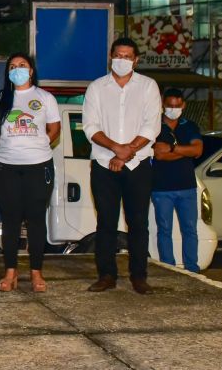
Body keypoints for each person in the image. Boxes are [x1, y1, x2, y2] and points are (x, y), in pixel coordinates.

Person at [82, 37, 162, 294]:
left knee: (138, 222)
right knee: (106, 221)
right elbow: (90, 126)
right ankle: (106, 275)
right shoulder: (97, 87)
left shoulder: (148, 87)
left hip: (138, 163)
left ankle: (139, 276)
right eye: (118, 55)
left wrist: (128, 152)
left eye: (128, 56)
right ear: (110, 57)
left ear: (136, 60)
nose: (122, 60)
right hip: (105, 163)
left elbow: (152, 125)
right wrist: (117, 149)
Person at [0, 54, 60, 292]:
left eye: (22, 66)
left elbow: (54, 128)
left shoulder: (45, 98)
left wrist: (36, 145)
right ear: (8, 73)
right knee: (11, 222)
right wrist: (7, 146)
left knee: (36, 221)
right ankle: (11, 272)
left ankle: (36, 273)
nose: (17, 70)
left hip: (39, 167)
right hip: (6, 168)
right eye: (13, 67)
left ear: (31, 71)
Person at [151, 88, 203, 273]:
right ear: (163, 105)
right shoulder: (154, 126)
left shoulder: (190, 126)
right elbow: (158, 155)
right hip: (161, 188)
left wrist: (172, 149)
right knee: (164, 230)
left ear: (183, 105)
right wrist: (184, 151)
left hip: (187, 187)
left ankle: (192, 269)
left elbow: (197, 151)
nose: (173, 109)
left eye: (177, 105)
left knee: (190, 230)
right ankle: (169, 268)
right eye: (170, 105)